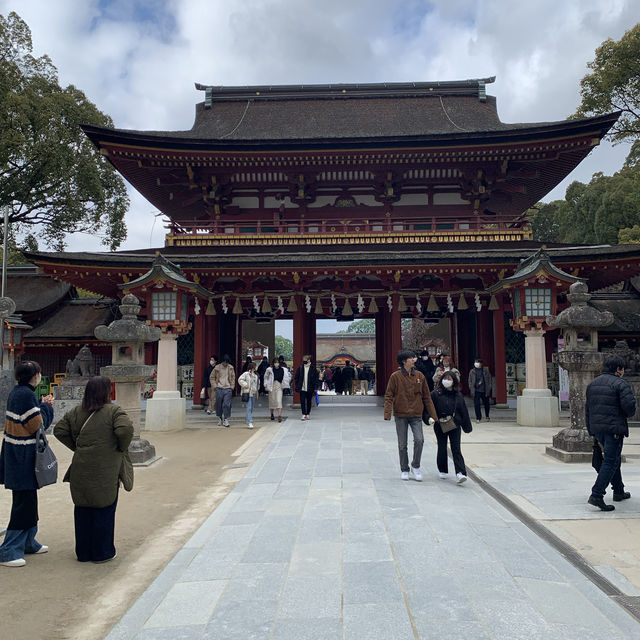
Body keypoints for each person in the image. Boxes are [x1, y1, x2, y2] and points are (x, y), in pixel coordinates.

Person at [53, 375, 133, 563]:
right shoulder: (114, 411)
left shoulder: (75, 412)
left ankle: (83, 552)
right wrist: (119, 447)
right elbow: (125, 430)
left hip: (80, 467)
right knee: (104, 508)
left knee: (82, 509)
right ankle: (102, 552)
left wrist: (77, 446)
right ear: (106, 392)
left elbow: (59, 430)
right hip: (105, 468)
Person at [0, 361, 54, 567]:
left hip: (16, 453)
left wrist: (40, 406)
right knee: (24, 503)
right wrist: (47, 407)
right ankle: (9, 550)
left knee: (28, 500)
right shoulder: (26, 395)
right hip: (23, 456)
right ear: (35, 376)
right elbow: (37, 426)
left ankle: (29, 541)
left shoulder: (18, 392)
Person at [585, 355, 636, 511]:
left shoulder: (592, 384)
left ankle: (618, 490)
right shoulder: (621, 384)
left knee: (614, 459)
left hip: (597, 428)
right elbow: (630, 409)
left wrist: (590, 429)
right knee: (611, 461)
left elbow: (587, 409)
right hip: (613, 428)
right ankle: (597, 494)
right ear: (618, 369)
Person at [384, 349, 438, 481]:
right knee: (402, 444)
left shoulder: (420, 375)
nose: (414, 360)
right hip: (401, 414)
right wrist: (387, 413)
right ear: (404, 361)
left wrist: (433, 415)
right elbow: (389, 395)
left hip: (416, 414)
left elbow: (427, 397)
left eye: (414, 358)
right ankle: (404, 469)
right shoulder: (395, 376)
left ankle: (416, 465)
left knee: (419, 440)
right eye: (411, 358)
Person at [430, 371, 472, 484]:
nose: (447, 381)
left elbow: (463, 411)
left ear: (454, 381)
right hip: (440, 424)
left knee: (456, 448)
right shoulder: (435, 394)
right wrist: (429, 418)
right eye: (445, 378)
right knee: (442, 447)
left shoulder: (458, 395)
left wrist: (467, 427)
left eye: (450, 379)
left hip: (455, 424)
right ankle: (442, 469)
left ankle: (461, 472)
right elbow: (429, 407)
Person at [211, 354, 235, 427]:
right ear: (222, 361)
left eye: (227, 362)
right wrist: (215, 386)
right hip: (219, 388)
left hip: (228, 388)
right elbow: (212, 377)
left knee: (226, 404)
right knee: (219, 404)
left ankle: (226, 419)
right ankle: (220, 418)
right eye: (224, 362)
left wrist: (232, 386)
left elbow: (233, 378)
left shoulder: (230, 368)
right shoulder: (217, 368)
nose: (225, 363)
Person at [295, 354, 319, 420]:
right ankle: (303, 414)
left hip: (310, 388)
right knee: (302, 401)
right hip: (302, 388)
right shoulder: (300, 368)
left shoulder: (313, 369)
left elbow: (316, 379)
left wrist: (316, 387)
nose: (304, 361)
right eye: (303, 360)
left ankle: (308, 413)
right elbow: (296, 377)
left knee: (309, 401)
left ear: (309, 360)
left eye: (305, 360)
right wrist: (298, 384)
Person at [468, 357, 492, 422]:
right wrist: (471, 387)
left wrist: (489, 387)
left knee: (486, 404)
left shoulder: (485, 371)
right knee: (476, 404)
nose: (476, 363)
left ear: (481, 363)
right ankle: (478, 417)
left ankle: (487, 416)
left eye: (477, 362)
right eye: (475, 362)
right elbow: (470, 380)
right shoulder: (472, 371)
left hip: (484, 389)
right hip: (476, 390)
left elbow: (489, 379)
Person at [237, 362, 259, 429]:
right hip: (247, 392)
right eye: (255, 366)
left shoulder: (255, 375)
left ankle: (247, 419)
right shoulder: (246, 374)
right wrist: (245, 385)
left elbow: (257, 384)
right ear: (253, 367)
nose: (256, 367)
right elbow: (240, 379)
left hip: (253, 392)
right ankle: (250, 421)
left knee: (251, 407)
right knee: (249, 407)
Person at [264, 358, 284, 422]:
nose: (276, 363)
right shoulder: (270, 370)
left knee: (279, 400)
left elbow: (281, 377)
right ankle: (272, 414)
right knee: (272, 400)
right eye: (275, 362)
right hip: (271, 386)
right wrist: (266, 384)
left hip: (278, 385)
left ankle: (279, 415)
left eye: (277, 362)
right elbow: (266, 377)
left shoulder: (282, 369)